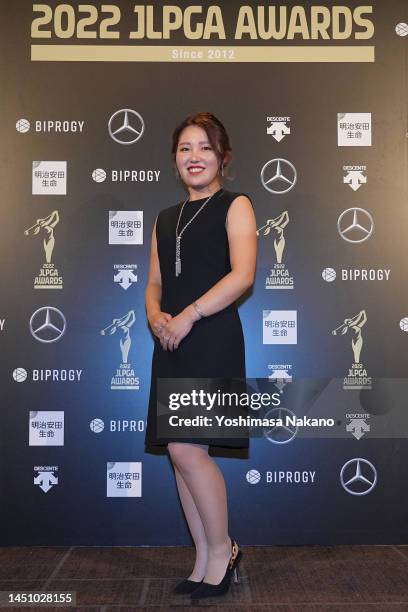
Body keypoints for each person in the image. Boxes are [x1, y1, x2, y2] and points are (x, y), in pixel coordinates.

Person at [144, 111, 257, 600]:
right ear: (175, 159)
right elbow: (154, 283)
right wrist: (155, 316)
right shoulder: (164, 218)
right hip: (170, 341)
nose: (194, 157)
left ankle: (223, 550)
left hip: (210, 338)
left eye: (204, 148)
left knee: (190, 450)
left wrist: (188, 315)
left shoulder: (237, 205)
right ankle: (203, 557)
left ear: (222, 158)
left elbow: (243, 275)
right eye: (185, 148)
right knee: (177, 453)